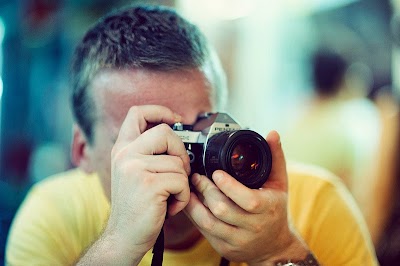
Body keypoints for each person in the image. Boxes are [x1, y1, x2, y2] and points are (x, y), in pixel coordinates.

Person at [6, 4, 377, 265]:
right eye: (150, 137)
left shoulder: (314, 203)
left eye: (202, 126)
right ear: (82, 151)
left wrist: (277, 251)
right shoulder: (56, 214)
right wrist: (118, 244)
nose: (183, 155)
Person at [282, 49, 383, 244]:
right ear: (344, 80)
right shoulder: (346, 131)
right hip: (323, 236)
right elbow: (354, 198)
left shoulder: (293, 120)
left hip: (287, 225)